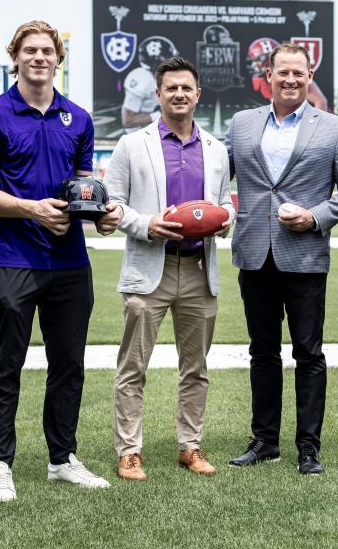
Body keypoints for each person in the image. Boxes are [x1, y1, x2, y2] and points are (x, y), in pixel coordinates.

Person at [0, 21, 112, 501]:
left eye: (47, 51)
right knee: (6, 364)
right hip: (14, 258)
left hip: (71, 260)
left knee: (68, 365)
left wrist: (101, 215)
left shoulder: (79, 117)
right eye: (29, 50)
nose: (39, 57)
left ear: (59, 59)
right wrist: (33, 209)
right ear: (15, 58)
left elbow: (84, 188)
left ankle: (62, 459)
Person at [224, 42, 338, 474]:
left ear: (309, 77)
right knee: (262, 352)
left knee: (308, 354)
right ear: (269, 75)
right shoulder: (241, 123)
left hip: (304, 255)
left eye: (298, 74)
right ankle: (265, 440)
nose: (290, 80)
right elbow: (217, 175)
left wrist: (317, 217)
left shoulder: (335, 127)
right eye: (282, 72)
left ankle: (308, 446)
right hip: (254, 253)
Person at [102, 56, 234, 480]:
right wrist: (146, 225)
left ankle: (190, 446)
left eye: (186, 88)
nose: (179, 94)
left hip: (199, 268)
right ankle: (129, 452)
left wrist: (227, 218)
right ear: (157, 94)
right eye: (171, 88)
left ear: (198, 94)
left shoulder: (216, 149)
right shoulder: (131, 144)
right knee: (133, 367)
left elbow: (225, 201)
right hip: (149, 267)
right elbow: (112, 204)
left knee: (195, 368)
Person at [121, 35, 178, 131]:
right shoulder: (142, 80)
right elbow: (128, 120)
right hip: (139, 139)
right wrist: (159, 115)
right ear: (158, 63)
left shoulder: (160, 78)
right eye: (169, 60)